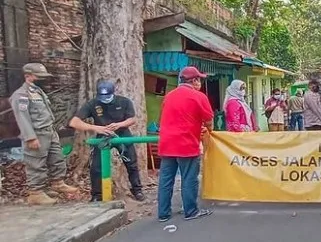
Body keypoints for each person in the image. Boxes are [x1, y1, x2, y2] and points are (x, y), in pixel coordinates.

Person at [10, 63, 78, 205]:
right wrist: (30, 137)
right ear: (28, 76)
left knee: (57, 158)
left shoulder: (38, 91)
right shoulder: (21, 95)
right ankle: (35, 193)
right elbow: (22, 118)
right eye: (38, 76)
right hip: (37, 134)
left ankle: (57, 183)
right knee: (36, 163)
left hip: (49, 131)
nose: (42, 79)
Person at [69, 80, 145, 202]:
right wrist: (96, 128)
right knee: (96, 167)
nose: (105, 99)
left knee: (132, 163)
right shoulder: (92, 103)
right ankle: (96, 195)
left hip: (122, 134)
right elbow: (74, 122)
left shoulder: (124, 101)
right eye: (102, 97)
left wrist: (119, 125)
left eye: (108, 96)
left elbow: (132, 119)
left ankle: (137, 190)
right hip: (103, 135)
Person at [157, 66, 214, 222]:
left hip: (167, 143)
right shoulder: (199, 96)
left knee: (166, 179)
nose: (200, 82)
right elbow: (209, 120)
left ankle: (163, 213)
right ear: (194, 80)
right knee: (189, 178)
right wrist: (208, 130)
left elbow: (161, 118)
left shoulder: (169, 96)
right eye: (199, 79)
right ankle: (191, 211)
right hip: (186, 143)